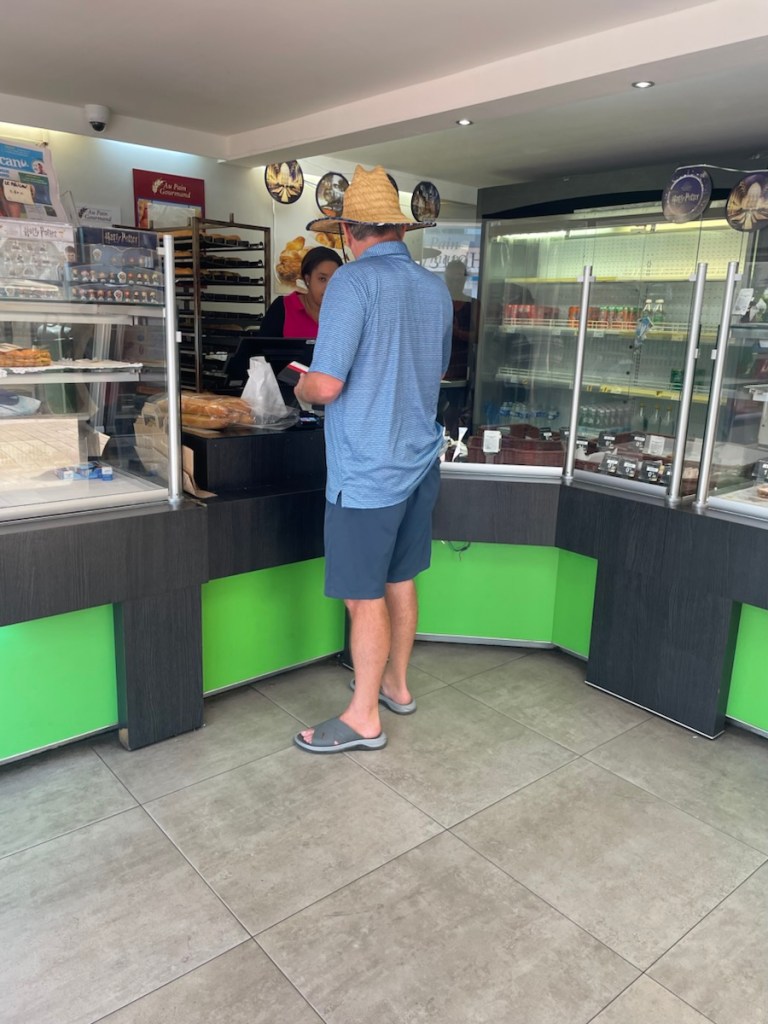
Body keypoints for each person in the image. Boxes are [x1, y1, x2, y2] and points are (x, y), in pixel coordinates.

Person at [292, 164, 453, 754]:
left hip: (366, 468)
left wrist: (301, 385)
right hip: (419, 460)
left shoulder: (351, 284)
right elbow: (434, 370)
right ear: (400, 229)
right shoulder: (435, 289)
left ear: (347, 231)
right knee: (399, 578)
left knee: (364, 596)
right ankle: (396, 686)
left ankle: (363, 717)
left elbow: (327, 385)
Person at [259, 245, 342, 338]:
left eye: (335, 280)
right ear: (307, 279)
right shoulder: (282, 307)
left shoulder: (346, 311)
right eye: (322, 279)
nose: (329, 287)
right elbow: (262, 346)